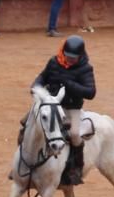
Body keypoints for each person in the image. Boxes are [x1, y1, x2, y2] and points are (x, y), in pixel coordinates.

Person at [33, 36, 96, 188]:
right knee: (27, 124)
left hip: (72, 108)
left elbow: (91, 92)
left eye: (74, 58)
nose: (70, 60)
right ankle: (24, 162)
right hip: (52, 105)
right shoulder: (54, 62)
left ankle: (75, 168)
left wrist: (70, 84)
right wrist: (36, 86)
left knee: (74, 134)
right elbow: (42, 77)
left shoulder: (85, 68)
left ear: (80, 56)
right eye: (68, 56)